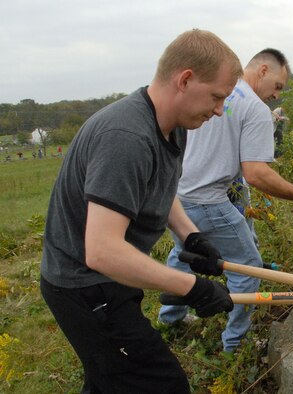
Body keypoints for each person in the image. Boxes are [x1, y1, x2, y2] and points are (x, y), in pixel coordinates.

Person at [39, 29, 244, 393]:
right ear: (185, 79)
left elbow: (160, 189)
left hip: (108, 279)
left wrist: (189, 234)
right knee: (162, 385)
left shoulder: (173, 126)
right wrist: (191, 286)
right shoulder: (126, 137)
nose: (217, 110)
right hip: (85, 286)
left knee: (111, 381)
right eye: (216, 97)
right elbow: (102, 250)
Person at [158, 48, 293, 353]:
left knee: (185, 253)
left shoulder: (211, 91)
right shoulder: (254, 108)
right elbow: (256, 173)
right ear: (262, 70)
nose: (277, 96)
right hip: (208, 199)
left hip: (177, 197)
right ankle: (235, 345)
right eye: (277, 86)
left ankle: (170, 320)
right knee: (246, 266)